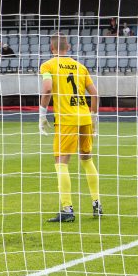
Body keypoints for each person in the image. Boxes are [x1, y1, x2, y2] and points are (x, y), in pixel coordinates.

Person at [38, 33, 102, 223]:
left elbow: (48, 88)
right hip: (84, 118)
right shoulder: (80, 67)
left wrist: (42, 115)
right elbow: (95, 94)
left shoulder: (48, 65)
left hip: (67, 120)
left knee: (61, 161)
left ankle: (67, 209)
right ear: (69, 48)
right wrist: (94, 118)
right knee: (87, 159)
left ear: (52, 48)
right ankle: (97, 204)